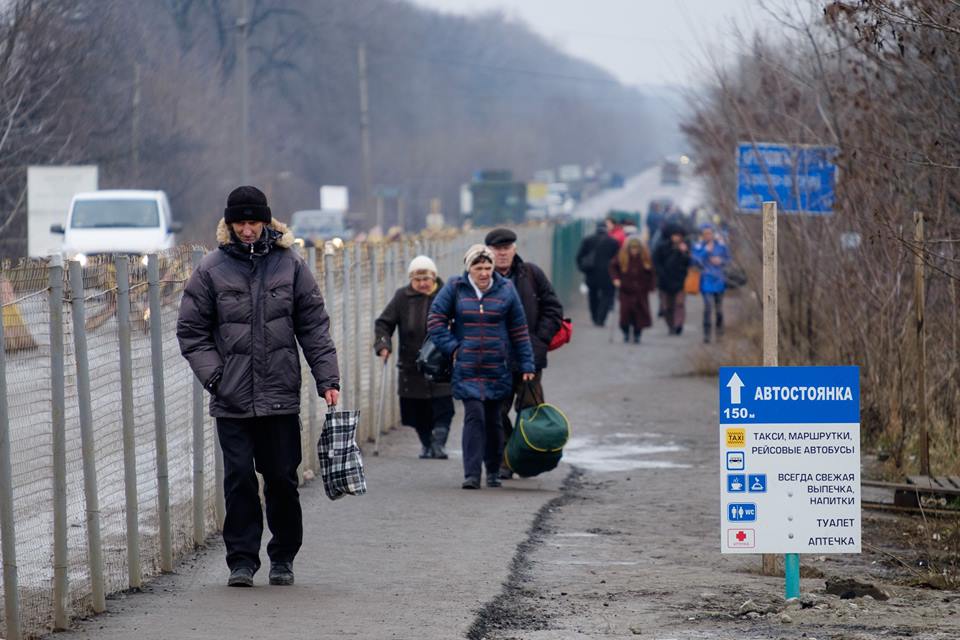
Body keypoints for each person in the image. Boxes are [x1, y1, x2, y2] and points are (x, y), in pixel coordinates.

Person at [177, 185, 340, 588]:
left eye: (254, 222)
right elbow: (191, 330)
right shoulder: (211, 269)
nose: (248, 230)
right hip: (231, 399)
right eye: (240, 223)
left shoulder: (291, 266)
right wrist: (215, 376)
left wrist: (328, 379)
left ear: (266, 223)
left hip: (280, 396)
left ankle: (283, 556)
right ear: (229, 225)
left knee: (283, 479)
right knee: (239, 480)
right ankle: (242, 560)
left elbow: (313, 326)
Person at [428, 244, 535, 490]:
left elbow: (519, 330)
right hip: (467, 367)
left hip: (497, 366)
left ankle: (494, 470)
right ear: (469, 268)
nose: (484, 272)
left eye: (488, 267)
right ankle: (472, 474)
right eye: (479, 267)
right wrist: (454, 347)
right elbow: (435, 320)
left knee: (495, 420)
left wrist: (527, 362)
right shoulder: (455, 288)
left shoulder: (506, 289)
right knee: (474, 416)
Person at [485, 227, 563, 479]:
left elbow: (553, 308)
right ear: (489, 252)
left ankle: (527, 458)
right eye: (498, 249)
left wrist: (539, 340)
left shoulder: (531, 274)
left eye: (507, 248)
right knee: (495, 412)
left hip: (530, 357)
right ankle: (507, 458)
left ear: (514, 249)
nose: (503, 253)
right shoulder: (481, 278)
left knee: (530, 411)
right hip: (495, 360)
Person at [373, 255, 454, 459]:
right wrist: (383, 344)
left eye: (426, 279)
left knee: (443, 407)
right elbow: (384, 323)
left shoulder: (446, 294)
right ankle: (427, 444)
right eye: (417, 280)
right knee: (417, 410)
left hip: (440, 362)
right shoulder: (402, 297)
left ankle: (439, 444)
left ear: (434, 277)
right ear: (411, 280)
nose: (422, 283)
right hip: (411, 364)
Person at [609, 236, 655, 343]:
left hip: (641, 291)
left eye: (636, 249)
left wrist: (651, 285)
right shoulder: (621, 256)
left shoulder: (645, 258)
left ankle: (637, 334)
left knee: (640, 313)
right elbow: (613, 267)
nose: (634, 251)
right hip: (625, 290)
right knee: (625, 312)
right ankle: (625, 332)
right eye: (632, 249)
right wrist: (616, 279)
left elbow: (652, 273)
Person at [577, 220, 620, 327]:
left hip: (591, 273)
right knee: (607, 296)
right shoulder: (613, 242)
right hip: (608, 274)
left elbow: (579, 257)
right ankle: (601, 318)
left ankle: (595, 316)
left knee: (592, 296)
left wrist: (583, 269)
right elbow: (618, 260)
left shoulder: (588, 240)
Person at [692, 224, 730, 343]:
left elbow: (728, 259)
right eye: (705, 233)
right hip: (706, 280)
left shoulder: (721, 246)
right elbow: (694, 261)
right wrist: (705, 252)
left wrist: (721, 261)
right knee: (708, 307)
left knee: (719, 309)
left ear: (713, 234)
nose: (708, 235)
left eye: (710, 233)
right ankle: (707, 334)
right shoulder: (698, 246)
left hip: (719, 280)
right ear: (702, 235)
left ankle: (719, 333)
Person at [652, 223, 691, 335]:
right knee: (666, 307)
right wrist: (661, 274)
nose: (677, 238)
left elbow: (689, 263)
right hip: (664, 281)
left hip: (680, 281)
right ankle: (671, 325)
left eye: (679, 236)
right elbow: (656, 262)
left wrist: (684, 252)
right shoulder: (661, 247)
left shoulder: (685, 247)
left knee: (679, 304)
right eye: (675, 235)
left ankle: (678, 324)